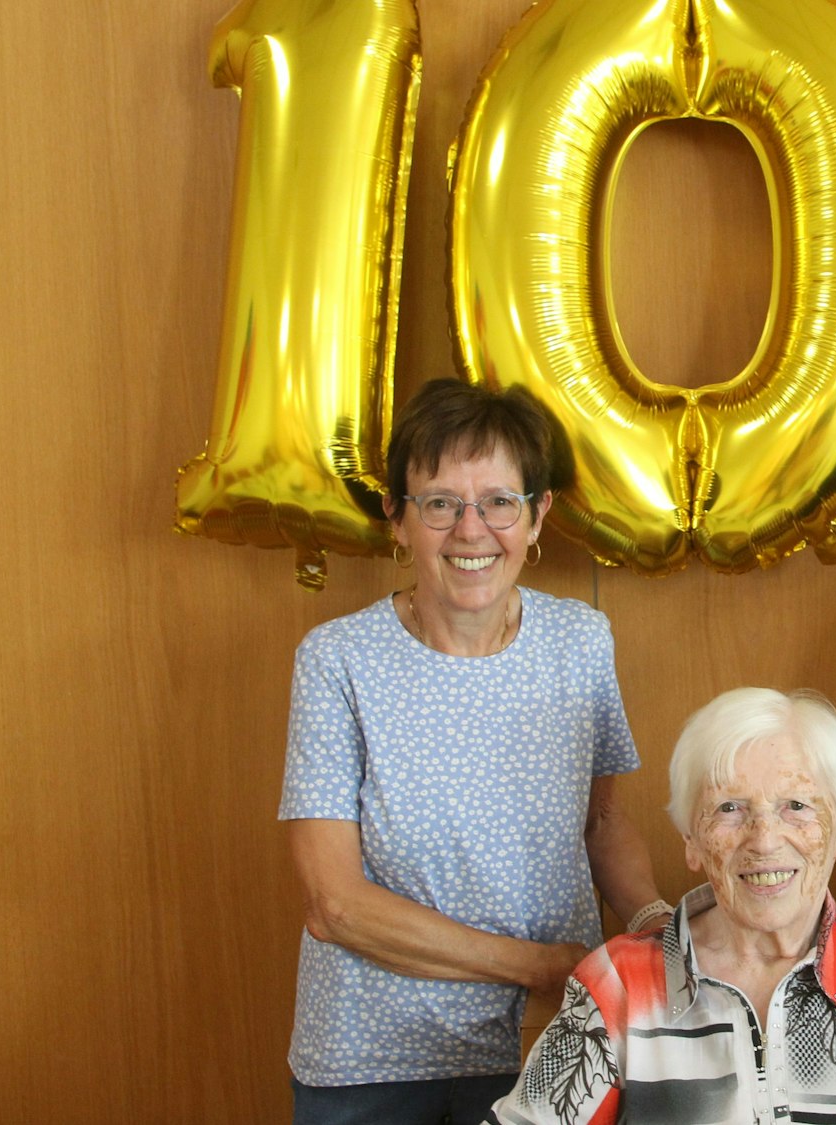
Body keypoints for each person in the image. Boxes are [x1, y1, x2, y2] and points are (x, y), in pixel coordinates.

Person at [279, 378, 671, 1125]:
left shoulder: (582, 640)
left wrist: (654, 917)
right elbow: (335, 906)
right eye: (439, 503)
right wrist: (538, 962)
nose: (471, 529)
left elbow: (601, 823)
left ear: (537, 516)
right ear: (397, 518)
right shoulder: (336, 660)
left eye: (498, 501)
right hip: (370, 1062)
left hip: (556, 1040)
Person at [488, 687, 836, 1125]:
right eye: (729, 808)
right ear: (691, 841)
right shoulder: (621, 983)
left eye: (796, 806)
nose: (764, 839)